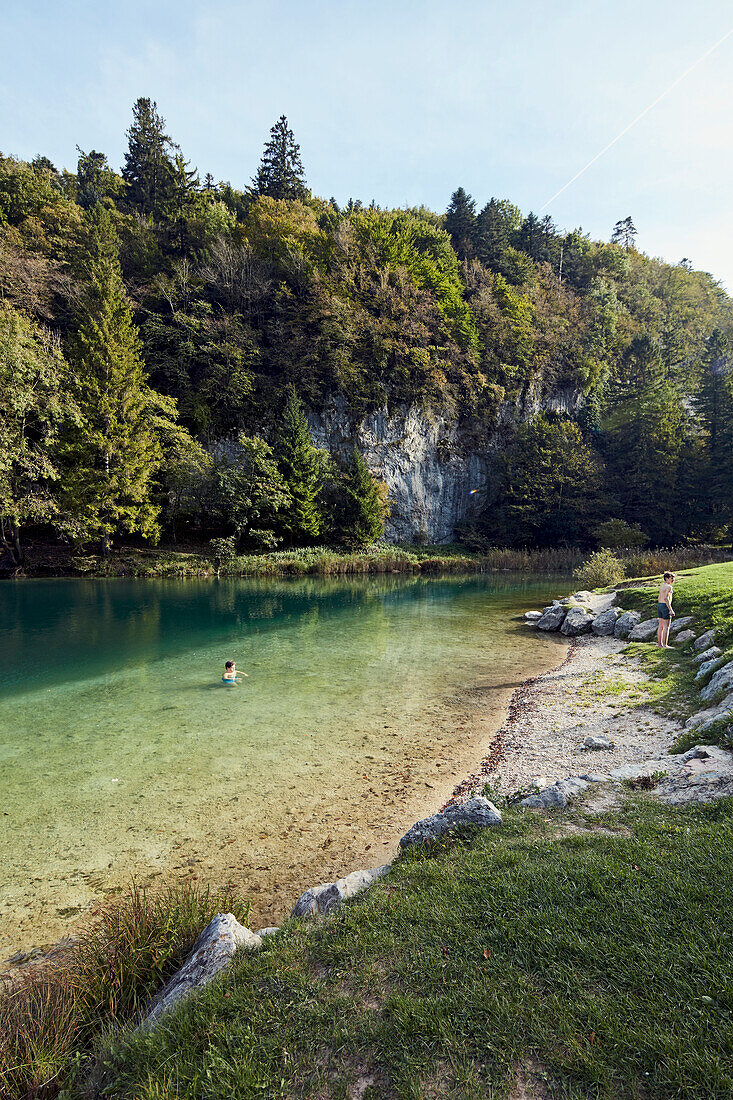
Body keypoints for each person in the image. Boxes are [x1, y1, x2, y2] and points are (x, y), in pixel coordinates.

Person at [657, 572, 675, 648]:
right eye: (671, 578)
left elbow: (659, 597)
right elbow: (666, 598)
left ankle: (660, 644)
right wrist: (670, 609)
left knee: (660, 626)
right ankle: (665, 645)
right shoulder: (669, 587)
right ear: (667, 578)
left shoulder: (662, 586)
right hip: (665, 605)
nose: (673, 580)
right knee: (666, 626)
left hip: (659, 605)